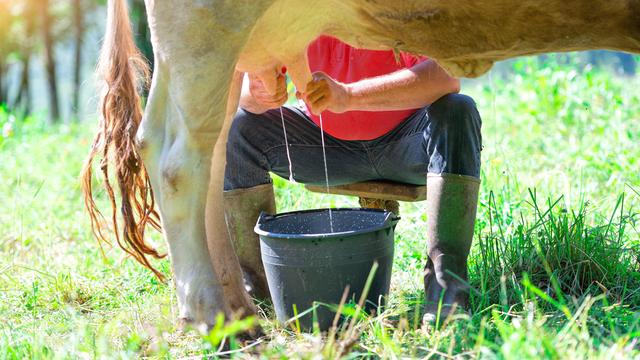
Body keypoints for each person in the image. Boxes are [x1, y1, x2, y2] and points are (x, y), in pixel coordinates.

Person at [223, 35, 482, 322]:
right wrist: (260, 92)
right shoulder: (295, 12)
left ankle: (447, 290)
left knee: (459, 109)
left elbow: (446, 77)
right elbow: (247, 96)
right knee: (240, 128)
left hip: (407, 143)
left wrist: (349, 95)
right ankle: (258, 295)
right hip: (325, 145)